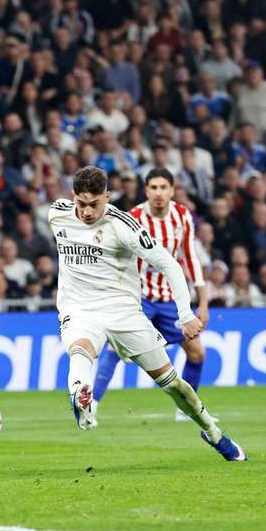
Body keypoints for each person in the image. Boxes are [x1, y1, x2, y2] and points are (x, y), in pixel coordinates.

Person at [47, 166, 243, 461]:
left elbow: (170, 264)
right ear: (73, 197)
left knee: (172, 383)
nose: (87, 212)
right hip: (80, 309)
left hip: (124, 312)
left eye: (94, 204)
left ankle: (212, 432)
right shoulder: (57, 214)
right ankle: (81, 398)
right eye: (81, 204)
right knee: (79, 350)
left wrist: (185, 313)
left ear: (107, 197)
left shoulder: (123, 226)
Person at [92, 168, 209, 422]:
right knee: (114, 348)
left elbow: (189, 257)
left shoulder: (181, 215)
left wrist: (203, 301)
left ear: (172, 190)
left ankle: (186, 410)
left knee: (197, 353)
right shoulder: (133, 217)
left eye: (163, 187)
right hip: (139, 298)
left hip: (169, 300)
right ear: (146, 191)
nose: (158, 193)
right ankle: (92, 404)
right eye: (153, 187)